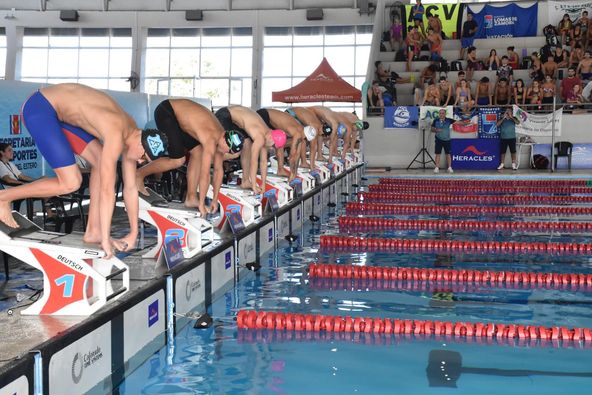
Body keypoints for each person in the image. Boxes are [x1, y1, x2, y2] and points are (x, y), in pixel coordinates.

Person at [0, 83, 162, 258]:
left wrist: (133, 232)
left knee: (102, 164)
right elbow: (108, 191)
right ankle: (3, 198)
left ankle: (93, 231)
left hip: (58, 114)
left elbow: (130, 189)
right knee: (71, 182)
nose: (139, 161)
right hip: (40, 108)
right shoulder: (116, 132)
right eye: (144, 157)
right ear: (141, 142)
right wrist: (107, 238)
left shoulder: (131, 133)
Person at [136, 99, 244, 217]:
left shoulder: (221, 139)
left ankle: (191, 197)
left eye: (229, 152)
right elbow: (205, 175)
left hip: (180, 118)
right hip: (167, 111)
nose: (226, 152)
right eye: (228, 149)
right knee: (178, 160)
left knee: (197, 152)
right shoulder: (210, 139)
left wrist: (215, 199)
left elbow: (218, 171)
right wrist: (202, 203)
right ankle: (139, 175)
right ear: (224, 138)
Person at [215, 105, 286, 194]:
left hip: (236, 120)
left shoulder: (267, 134)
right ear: (272, 139)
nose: (271, 148)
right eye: (273, 146)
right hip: (225, 115)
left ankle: (245, 181)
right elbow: (254, 161)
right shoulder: (260, 137)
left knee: (247, 144)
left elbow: (263, 162)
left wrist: (263, 185)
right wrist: (254, 185)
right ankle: (211, 160)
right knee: (235, 152)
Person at [257, 108, 315, 182]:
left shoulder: (300, 133)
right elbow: (291, 156)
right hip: (264, 115)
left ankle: (280, 170)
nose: (305, 141)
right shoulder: (298, 134)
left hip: (272, 122)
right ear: (306, 136)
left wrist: (295, 173)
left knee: (281, 143)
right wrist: (292, 174)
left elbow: (297, 155)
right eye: (306, 139)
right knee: (260, 142)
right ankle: (255, 167)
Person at [431, 108, 453, 174]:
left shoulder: (448, 120)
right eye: (440, 113)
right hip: (438, 139)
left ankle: (449, 167)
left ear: (445, 114)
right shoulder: (436, 120)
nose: (441, 114)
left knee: (448, 154)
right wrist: (436, 130)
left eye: (442, 113)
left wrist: (464, 123)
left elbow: (458, 122)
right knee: (438, 154)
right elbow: (431, 129)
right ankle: (437, 167)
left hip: (447, 140)